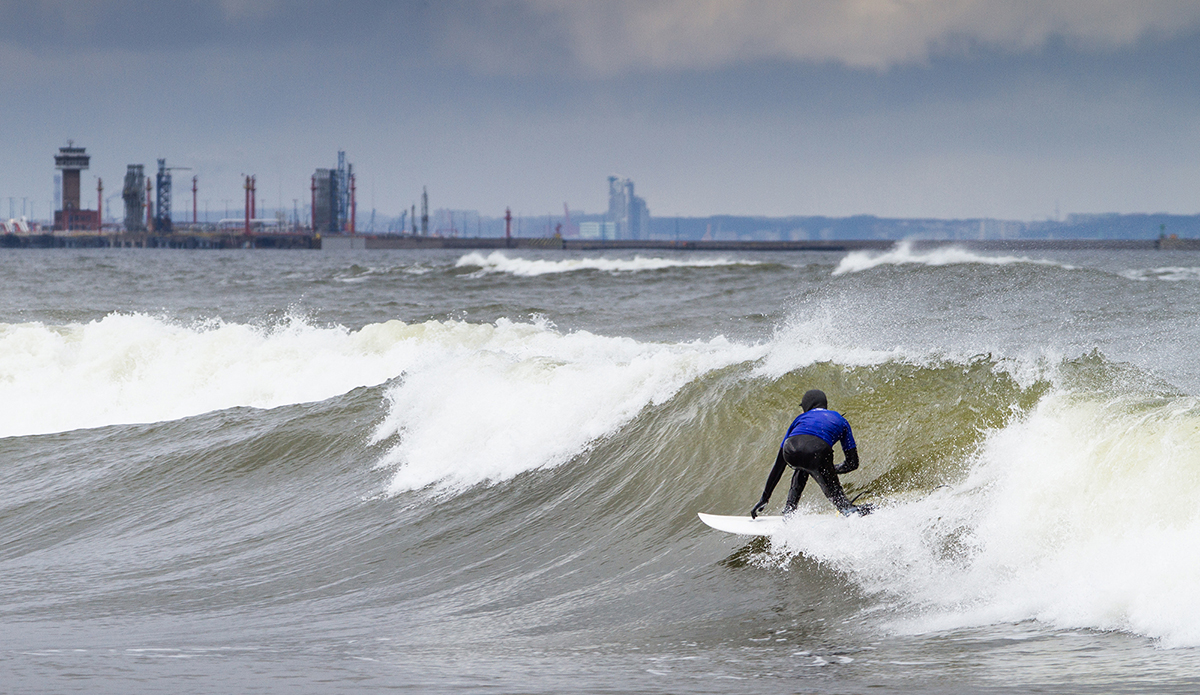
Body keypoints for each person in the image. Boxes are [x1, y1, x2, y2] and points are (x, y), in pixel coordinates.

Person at [750, 389, 871, 518]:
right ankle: (858, 512)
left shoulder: (800, 419)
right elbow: (852, 463)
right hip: (818, 453)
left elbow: (779, 464)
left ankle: (789, 511)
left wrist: (765, 498)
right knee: (843, 506)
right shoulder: (840, 420)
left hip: (790, 450)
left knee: (802, 465)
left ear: (809, 405)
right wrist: (826, 471)